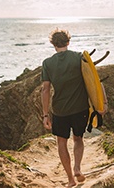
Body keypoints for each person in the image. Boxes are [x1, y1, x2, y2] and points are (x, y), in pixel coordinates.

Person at [41, 28, 89, 187]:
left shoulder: (47, 63)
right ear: (68, 42)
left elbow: (45, 89)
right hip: (80, 108)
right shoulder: (78, 57)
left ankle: (70, 179)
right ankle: (77, 167)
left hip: (60, 110)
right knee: (78, 139)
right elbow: (92, 80)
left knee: (61, 142)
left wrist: (45, 115)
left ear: (53, 44)